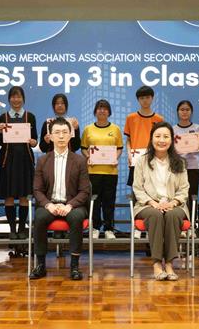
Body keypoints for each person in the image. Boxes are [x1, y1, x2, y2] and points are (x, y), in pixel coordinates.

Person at [29, 117, 92, 280]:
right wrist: (48, 205)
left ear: (71, 135)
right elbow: (37, 189)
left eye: (65, 132)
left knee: (76, 218)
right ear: (50, 136)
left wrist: (69, 205)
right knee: (40, 217)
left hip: (73, 205)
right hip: (50, 204)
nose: (61, 136)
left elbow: (84, 190)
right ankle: (40, 265)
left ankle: (75, 266)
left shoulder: (79, 161)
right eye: (57, 132)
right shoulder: (42, 160)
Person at [133, 122, 190, 281]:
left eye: (166, 136)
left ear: (172, 139)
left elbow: (184, 189)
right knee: (155, 215)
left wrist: (173, 203)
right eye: (158, 136)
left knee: (172, 215)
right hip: (147, 205)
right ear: (151, 139)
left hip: (174, 204)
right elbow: (137, 188)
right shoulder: (142, 161)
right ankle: (157, 263)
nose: (162, 140)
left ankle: (170, 263)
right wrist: (153, 203)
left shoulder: (180, 162)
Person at [0, 86, 38, 241]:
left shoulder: (30, 116)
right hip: (8, 161)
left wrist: (33, 142)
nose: (16, 100)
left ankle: (21, 228)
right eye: (13, 97)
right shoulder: (3, 117)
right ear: (9, 99)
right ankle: (12, 229)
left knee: (24, 197)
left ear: (23, 99)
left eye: (19, 96)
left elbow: (34, 140)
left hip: (25, 161)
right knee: (9, 196)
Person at [80, 99, 123, 239]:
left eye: (105, 108)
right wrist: (88, 156)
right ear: (95, 111)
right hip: (93, 171)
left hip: (111, 172)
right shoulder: (88, 129)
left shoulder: (115, 129)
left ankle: (109, 228)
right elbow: (83, 148)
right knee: (94, 201)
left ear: (109, 112)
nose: (102, 110)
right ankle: (95, 228)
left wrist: (115, 158)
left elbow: (119, 148)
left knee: (109, 201)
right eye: (99, 108)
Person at [124, 85, 164, 186]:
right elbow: (128, 140)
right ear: (138, 100)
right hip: (136, 159)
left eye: (147, 97)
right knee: (136, 188)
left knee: (154, 188)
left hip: (154, 158)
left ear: (152, 98)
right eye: (142, 98)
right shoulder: (130, 118)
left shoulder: (159, 119)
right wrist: (129, 154)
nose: (145, 100)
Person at [173, 100, 199, 232]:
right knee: (178, 196)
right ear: (178, 112)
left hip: (193, 167)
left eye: (187, 109)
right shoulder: (173, 129)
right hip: (177, 168)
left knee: (192, 196)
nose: (184, 112)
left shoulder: (197, 128)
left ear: (191, 112)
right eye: (182, 109)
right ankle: (180, 224)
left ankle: (191, 225)